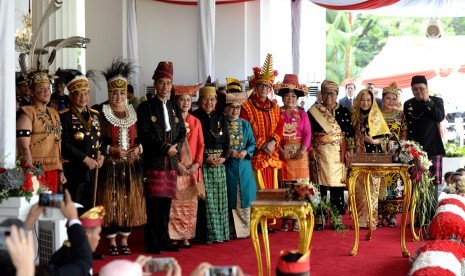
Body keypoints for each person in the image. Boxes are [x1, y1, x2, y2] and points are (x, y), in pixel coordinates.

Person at [97, 59, 147, 256]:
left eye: (122, 92)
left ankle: (125, 239)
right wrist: (110, 150)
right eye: (115, 93)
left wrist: (139, 149)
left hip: (132, 166)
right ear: (109, 94)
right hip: (110, 167)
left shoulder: (134, 113)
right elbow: (96, 142)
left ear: (127, 94)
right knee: (111, 202)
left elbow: (144, 138)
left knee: (129, 202)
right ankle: (111, 241)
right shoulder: (101, 113)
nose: (119, 97)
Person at [138, 61, 186, 254]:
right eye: (161, 83)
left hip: (171, 162)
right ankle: (152, 241)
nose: (165, 87)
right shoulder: (146, 107)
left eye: (168, 83)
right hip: (155, 161)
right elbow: (145, 133)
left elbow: (182, 131)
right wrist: (165, 147)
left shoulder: (175, 107)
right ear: (155, 83)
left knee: (166, 203)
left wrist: (176, 148)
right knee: (154, 204)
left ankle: (164, 238)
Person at [308, 80, 355, 230]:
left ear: (337, 95)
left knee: (337, 185)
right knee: (318, 185)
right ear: (321, 94)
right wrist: (310, 149)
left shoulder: (344, 111)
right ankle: (319, 215)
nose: (329, 96)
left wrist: (349, 150)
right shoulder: (313, 111)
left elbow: (349, 133)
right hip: (319, 151)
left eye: (332, 93)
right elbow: (308, 133)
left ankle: (336, 216)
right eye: (326, 93)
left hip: (337, 153)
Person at [57, 69, 104, 215]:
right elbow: (64, 144)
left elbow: (99, 139)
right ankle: (74, 237)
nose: (84, 97)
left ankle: (87, 237)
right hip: (75, 172)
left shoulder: (95, 115)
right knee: (74, 209)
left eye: (86, 93)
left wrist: (102, 155)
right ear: (70, 95)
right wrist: (85, 159)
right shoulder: (63, 116)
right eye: (79, 93)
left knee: (90, 210)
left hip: (94, 171)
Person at [192, 80, 230, 243]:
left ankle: (221, 234)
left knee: (221, 199)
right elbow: (193, 143)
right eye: (206, 99)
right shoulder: (194, 117)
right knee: (205, 200)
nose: (209, 103)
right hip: (203, 162)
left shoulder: (221, 117)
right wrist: (205, 158)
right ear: (200, 101)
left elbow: (227, 142)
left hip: (219, 163)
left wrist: (224, 157)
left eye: (212, 100)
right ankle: (205, 235)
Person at [16, 69, 66, 193]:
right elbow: (23, 146)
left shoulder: (54, 113)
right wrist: (29, 169)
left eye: (48, 88)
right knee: (36, 207)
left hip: (54, 169)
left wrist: (60, 170)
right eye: (41, 88)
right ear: (31, 92)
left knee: (51, 208)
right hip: (35, 169)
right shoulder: (27, 113)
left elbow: (57, 143)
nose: (46, 91)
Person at [240, 54, 283, 191]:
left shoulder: (275, 107)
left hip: (272, 154)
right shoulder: (246, 106)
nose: (264, 88)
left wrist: (272, 143)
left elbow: (280, 126)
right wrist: (262, 144)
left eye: (267, 86)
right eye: (261, 85)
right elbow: (244, 129)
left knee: (272, 190)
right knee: (257, 191)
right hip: (255, 155)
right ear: (256, 87)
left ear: (271, 89)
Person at [168, 83, 204, 249]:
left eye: (188, 100)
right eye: (182, 100)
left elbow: (201, 145)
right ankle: (175, 236)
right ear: (176, 101)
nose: (186, 103)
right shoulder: (171, 121)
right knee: (176, 206)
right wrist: (178, 165)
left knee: (190, 205)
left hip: (192, 170)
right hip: (176, 168)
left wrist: (197, 163)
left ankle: (187, 236)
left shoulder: (196, 121)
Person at [275, 74, 311, 232]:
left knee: (300, 187)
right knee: (285, 187)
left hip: (300, 154)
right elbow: (273, 133)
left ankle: (297, 219)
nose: (290, 98)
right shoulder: (276, 113)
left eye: (293, 95)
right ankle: (285, 220)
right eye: (287, 95)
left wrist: (303, 150)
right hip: (283, 153)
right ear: (282, 98)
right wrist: (280, 151)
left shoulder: (303, 114)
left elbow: (308, 134)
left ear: (297, 98)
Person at [352, 88, 390, 229]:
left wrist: (372, 141)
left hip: (374, 156)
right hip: (357, 157)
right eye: (362, 100)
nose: (365, 103)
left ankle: (371, 221)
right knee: (359, 189)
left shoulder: (376, 116)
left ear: (373, 101)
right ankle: (361, 220)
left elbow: (385, 138)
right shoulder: (354, 116)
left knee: (373, 189)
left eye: (368, 100)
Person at [223, 80, 257, 239]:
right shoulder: (220, 124)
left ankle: (244, 229)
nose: (235, 110)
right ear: (225, 109)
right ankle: (231, 228)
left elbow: (252, 143)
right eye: (232, 107)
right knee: (230, 197)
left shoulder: (245, 125)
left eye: (238, 107)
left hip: (244, 167)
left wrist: (244, 151)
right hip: (227, 166)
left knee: (246, 196)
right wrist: (228, 152)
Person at [404, 75, 445, 198]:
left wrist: (428, 101)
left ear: (427, 88)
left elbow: (439, 117)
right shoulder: (408, 104)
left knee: (433, 185)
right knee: (415, 184)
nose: (418, 91)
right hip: (415, 151)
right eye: (415, 89)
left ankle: (432, 215)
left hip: (433, 147)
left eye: (421, 88)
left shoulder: (437, 101)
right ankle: (417, 215)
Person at [378, 82, 408, 227]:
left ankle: (393, 214)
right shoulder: (376, 114)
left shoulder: (400, 115)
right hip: (380, 151)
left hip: (395, 151)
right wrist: (382, 145)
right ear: (382, 99)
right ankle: (382, 214)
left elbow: (404, 132)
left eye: (393, 98)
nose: (391, 101)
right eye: (388, 98)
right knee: (382, 180)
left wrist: (399, 146)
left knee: (395, 182)